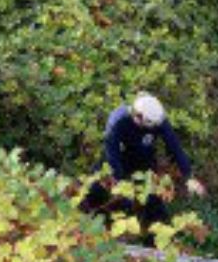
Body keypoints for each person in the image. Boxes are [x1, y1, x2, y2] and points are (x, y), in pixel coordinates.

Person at [82, 92, 206, 220]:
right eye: (148, 125)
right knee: (96, 186)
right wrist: (120, 182)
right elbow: (112, 152)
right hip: (118, 156)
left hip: (143, 158)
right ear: (138, 116)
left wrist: (188, 176)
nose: (152, 128)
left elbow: (175, 147)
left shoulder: (157, 119)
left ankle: (156, 233)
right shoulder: (118, 120)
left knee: (153, 199)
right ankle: (87, 216)